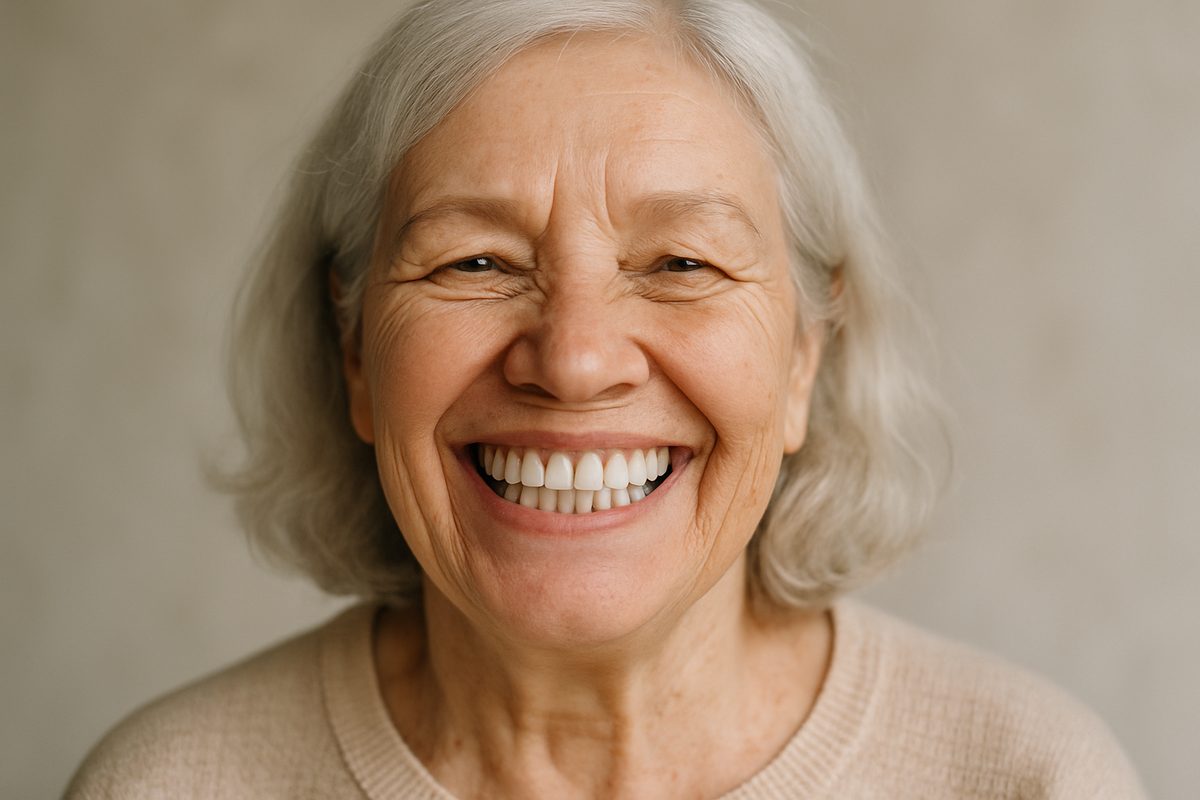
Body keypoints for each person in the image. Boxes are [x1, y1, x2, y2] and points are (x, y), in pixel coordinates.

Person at [66, 0, 1145, 797]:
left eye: (680, 262)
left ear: (807, 355)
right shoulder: (166, 783)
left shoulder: (1027, 774)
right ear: (353, 349)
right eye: (474, 264)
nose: (575, 361)